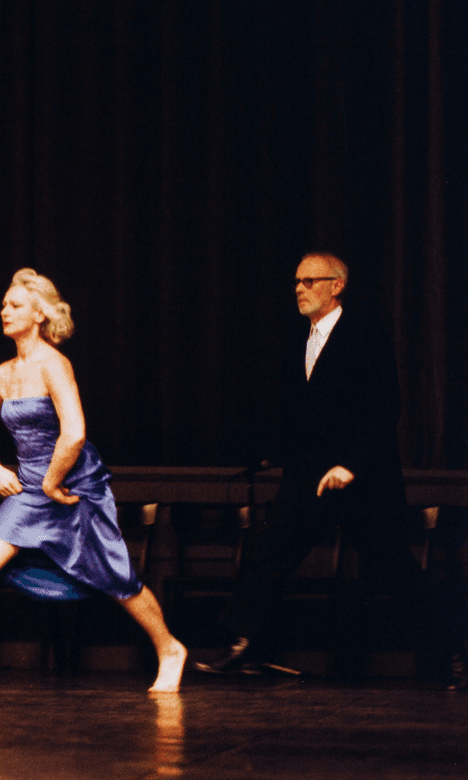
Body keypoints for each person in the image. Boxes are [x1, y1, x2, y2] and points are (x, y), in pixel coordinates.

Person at [0, 268, 188, 692]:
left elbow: (74, 432)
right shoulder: (2, 374)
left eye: (15, 305)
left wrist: (51, 482)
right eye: (4, 305)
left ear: (40, 314)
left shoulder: (54, 365)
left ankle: (170, 648)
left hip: (74, 489)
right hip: (31, 489)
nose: (4, 311)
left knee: (116, 580)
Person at [196, 252, 465, 686]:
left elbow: (383, 409)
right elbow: (302, 412)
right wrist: (277, 453)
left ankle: (450, 653)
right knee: (269, 554)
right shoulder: (297, 339)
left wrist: (349, 465)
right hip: (306, 476)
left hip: (362, 478)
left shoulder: (364, 334)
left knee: (390, 566)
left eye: (309, 281)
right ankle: (249, 648)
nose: (299, 289)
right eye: (296, 282)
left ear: (336, 285)